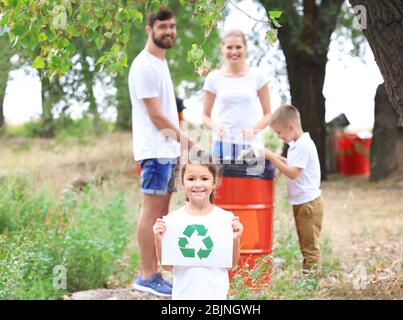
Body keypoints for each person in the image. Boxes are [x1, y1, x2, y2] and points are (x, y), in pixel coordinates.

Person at [128, 7, 193, 297]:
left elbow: (167, 110)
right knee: (151, 211)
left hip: (166, 151)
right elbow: (155, 116)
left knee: (162, 214)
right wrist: (187, 141)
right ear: (149, 29)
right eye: (163, 27)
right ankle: (146, 275)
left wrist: (177, 148)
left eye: (172, 27)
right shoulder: (143, 65)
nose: (169, 32)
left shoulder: (160, 62)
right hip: (154, 153)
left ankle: (155, 271)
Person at [153, 158, 244, 300]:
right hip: (183, 295)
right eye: (191, 179)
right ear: (182, 183)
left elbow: (231, 263)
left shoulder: (225, 219)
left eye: (204, 178)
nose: (198, 184)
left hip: (216, 296)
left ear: (214, 183)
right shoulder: (174, 221)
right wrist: (158, 239)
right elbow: (167, 266)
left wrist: (235, 239)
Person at [263, 105, 324, 272]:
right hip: (301, 203)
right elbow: (290, 163)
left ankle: (311, 284)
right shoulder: (296, 144)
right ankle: (309, 279)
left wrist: (270, 157)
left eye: (279, 132)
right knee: (304, 243)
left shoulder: (304, 145)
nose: (278, 136)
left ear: (291, 127)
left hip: (309, 204)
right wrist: (273, 155)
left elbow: (293, 173)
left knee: (310, 247)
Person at [202, 29, 271, 160]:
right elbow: (205, 116)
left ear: (245, 48)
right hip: (222, 144)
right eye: (229, 47)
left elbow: (268, 114)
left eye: (238, 47)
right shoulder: (213, 78)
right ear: (222, 48)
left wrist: (254, 129)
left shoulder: (258, 77)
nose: (234, 52)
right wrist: (215, 127)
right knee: (220, 181)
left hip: (250, 145)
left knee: (249, 181)